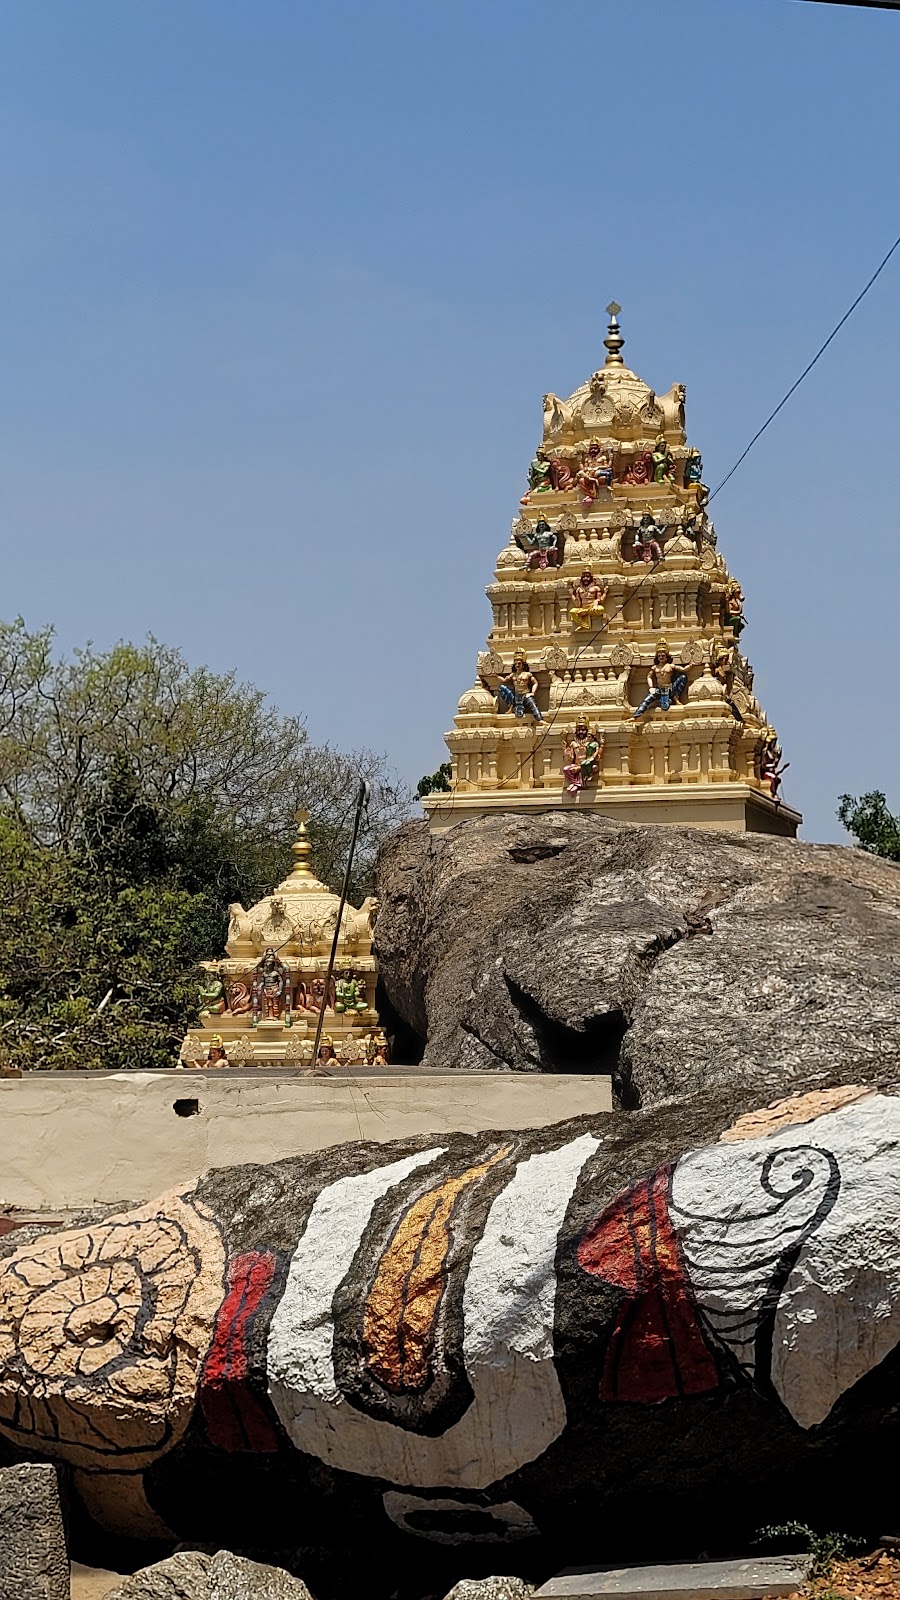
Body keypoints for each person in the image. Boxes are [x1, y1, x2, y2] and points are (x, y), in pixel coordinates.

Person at [633, 644, 688, 718]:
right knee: (646, 700)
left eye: (663, 656)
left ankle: (676, 697)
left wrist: (692, 664)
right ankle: (635, 716)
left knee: (683, 678)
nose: (661, 657)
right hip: (659, 689)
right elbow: (649, 677)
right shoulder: (655, 668)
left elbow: (683, 669)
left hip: (670, 688)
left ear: (666, 657)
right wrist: (651, 687)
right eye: (659, 656)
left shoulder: (670, 666)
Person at [495, 656, 542, 721]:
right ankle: (511, 706)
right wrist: (495, 675)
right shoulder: (513, 675)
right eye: (516, 664)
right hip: (516, 696)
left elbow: (535, 683)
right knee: (502, 688)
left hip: (525, 694)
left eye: (519, 663)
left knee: (533, 705)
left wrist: (533, 693)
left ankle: (540, 720)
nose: (517, 665)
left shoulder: (528, 674)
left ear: (523, 665)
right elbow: (504, 680)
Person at [251, 948, 291, 1025]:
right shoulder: (264, 974)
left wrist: (279, 990)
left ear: (273, 965)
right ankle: (268, 1016)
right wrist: (260, 986)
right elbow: (262, 981)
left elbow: (281, 980)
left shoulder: (275, 973)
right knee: (267, 1004)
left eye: (270, 965)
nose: (268, 966)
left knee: (275, 1004)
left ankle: (275, 1016)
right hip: (266, 989)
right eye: (266, 964)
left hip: (274, 988)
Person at [563, 724, 603, 794]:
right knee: (566, 769)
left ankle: (575, 784)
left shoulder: (591, 744)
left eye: (583, 730)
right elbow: (571, 758)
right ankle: (577, 783)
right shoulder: (573, 743)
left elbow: (597, 758)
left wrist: (601, 745)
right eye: (578, 730)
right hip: (576, 764)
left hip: (587, 764)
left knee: (594, 767)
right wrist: (565, 749)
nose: (581, 732)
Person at [577, 441, 614, 506]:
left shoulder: (603, 457)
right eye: (591, 448)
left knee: (603, 478)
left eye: (595, 448)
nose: (593, 450)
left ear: (598, 449)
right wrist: (580, 462)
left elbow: (607, 466)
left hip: (598, 474)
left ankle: (595, 493)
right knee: (581, 480)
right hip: (589, 475)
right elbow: (584, 469)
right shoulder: (587, 459)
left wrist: (598, 467)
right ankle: (590, 494)